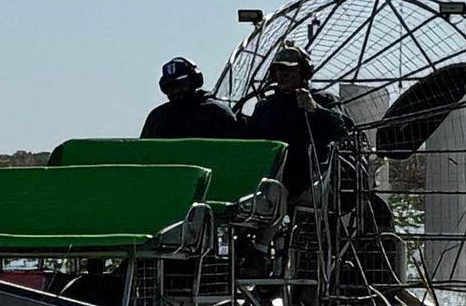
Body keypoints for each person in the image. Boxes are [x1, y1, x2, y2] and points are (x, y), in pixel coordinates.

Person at [241, 45, 352, 201]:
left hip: (308, 178)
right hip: (269, 177)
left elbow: (343, 130)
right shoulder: (266, 106)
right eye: (279, 70)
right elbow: (249, 142)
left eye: (290, 70)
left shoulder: (322, 99)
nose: (284, 74)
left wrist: (315, 109)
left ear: (304, 72)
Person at [141, 57, 241, 141]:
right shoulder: (157, 118)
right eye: (171, 87)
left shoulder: (216, 113)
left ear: (194, 82)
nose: (176, 91)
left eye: (181, 84)